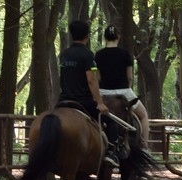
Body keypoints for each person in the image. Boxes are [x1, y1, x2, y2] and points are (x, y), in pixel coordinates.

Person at [57, 19, 120, 168]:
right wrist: (100, 103)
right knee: (112, 123)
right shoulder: (88, 55)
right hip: (83, 102)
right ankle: (111, 153)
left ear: (72, 35)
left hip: (63, 101)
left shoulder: (64, 55)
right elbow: (91, 80)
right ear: (87, 36)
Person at [96, 24, 148, 150]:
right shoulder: (125, 54)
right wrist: (127, 89)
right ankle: (144, 145)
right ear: (118, 37)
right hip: (124, 91)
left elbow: (98, 77)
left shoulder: (98, 55)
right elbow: (130, 77)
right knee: (144, 116)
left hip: (103, 93)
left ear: (105, 38)